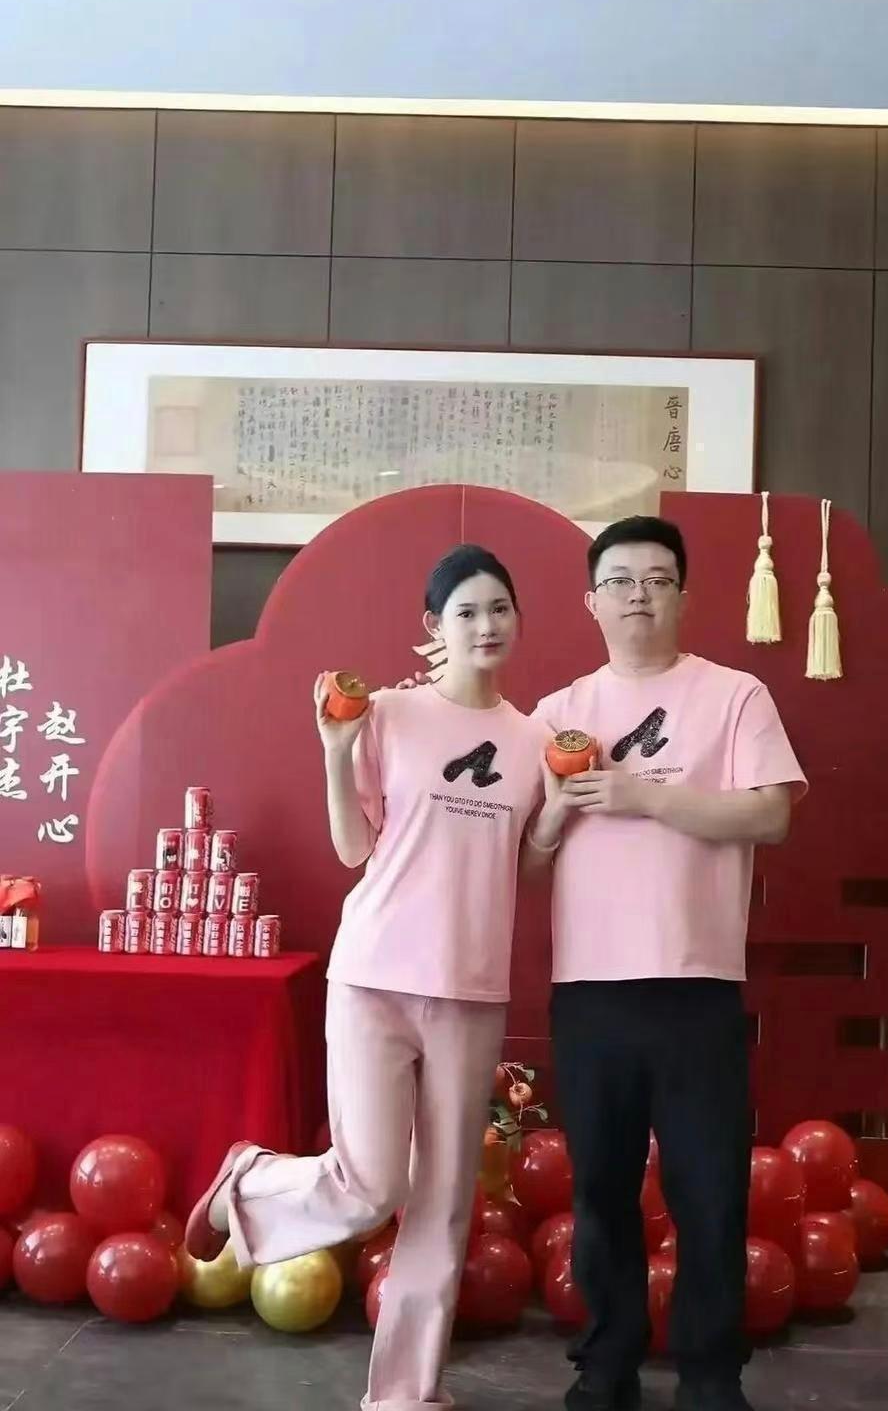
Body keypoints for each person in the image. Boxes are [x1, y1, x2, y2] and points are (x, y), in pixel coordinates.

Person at [185, 544, 547, 1411]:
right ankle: (249, 1184)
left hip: (471, 988)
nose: (486, 625)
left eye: (499, 608)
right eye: (466, 612)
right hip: (375, 973)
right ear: (435, 626)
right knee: (372, 1183)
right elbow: (353, 846)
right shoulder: (387, 712)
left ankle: (405, 1395)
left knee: (444, 1204)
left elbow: (526, 867)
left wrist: (563, 811)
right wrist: (335, 749)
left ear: (517, 619)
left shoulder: (534, 741)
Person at [525, 516, 807, 1411]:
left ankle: (710, 1375)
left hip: (698, 983)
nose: (638, 594)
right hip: (590, 988)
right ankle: (606, 1365)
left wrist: (643, 797)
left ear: (683, 595)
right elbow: (526, 860)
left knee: (710, 1190)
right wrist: (560, 809)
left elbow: (770, 814)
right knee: (601, 1191)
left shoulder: (734, 696)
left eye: (657, 578)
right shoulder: (556, 713)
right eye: (620, 580)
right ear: (591, 602)